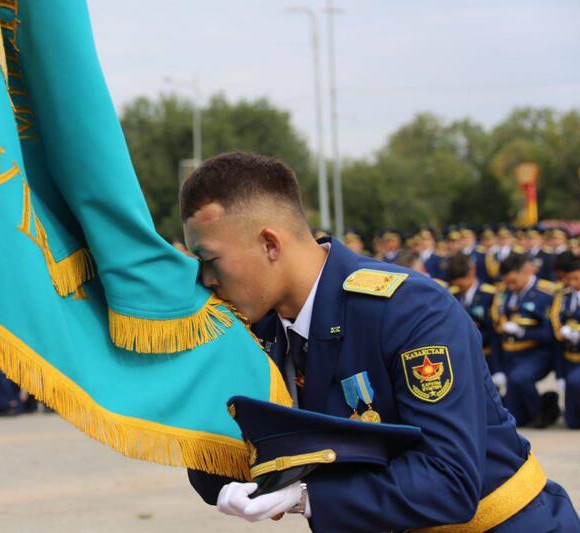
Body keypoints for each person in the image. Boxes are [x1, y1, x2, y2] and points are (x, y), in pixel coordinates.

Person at [179, 152, 578, 531]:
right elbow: (224, 473)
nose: (206, 281)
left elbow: (449, 481)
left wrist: (306, 497)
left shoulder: (409, 309)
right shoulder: (263, 330)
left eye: (210, 260)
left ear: (270, 244)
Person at [493, 254, 560, 428]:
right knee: (515, 417)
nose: (510, 286)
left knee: (520, 378)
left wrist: (523, 332)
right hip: (511, 354)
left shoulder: (546, 293)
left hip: (537, 352)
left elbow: (550, 333)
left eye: (513, 282)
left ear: (526, 271)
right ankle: (542, 406)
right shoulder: (504, 293)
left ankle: (542, 411)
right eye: (507, 282)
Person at [446, 255, 504, 387]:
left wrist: (498, 368)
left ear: (472, 272)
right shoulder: (452, 294)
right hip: (462, 356)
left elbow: (495, 333)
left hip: (487, 354)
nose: (460, 286)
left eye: (462, 282)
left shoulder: (489, 294)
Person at [551, 255, 580, 428]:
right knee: (572, 420)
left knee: (575, 381)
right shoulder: (564, 297)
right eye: (569, 279)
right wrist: (559, 374)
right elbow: (556, 323)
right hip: (570, 354)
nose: (573, 283)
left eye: (576, 278)